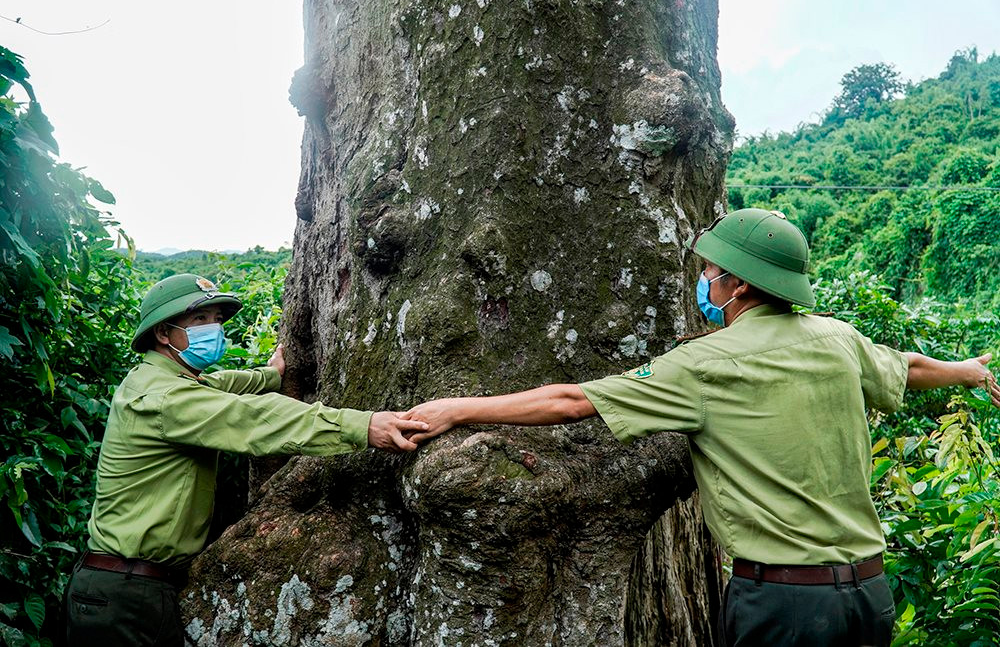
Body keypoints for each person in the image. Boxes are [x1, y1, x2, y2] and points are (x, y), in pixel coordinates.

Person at [402, 209, 1000, 647]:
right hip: (869, 598)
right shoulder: (837, 338)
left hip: (781, 606)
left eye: (711, 271)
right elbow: (907, 366)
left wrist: (459, 407)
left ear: (738, 286)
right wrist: (967, 371)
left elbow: (568, 402)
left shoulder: (705, 363)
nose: (705, 282)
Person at [65, 273, 427, 646]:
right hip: (128, 595)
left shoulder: (155, 380)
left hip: (124, 587)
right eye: (200, 320)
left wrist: (268, 375)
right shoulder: (167, 400)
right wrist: (362, 425)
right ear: (163, 333)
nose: (215, 328)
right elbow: (254, 419)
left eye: (218, 319)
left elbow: (218, 384)